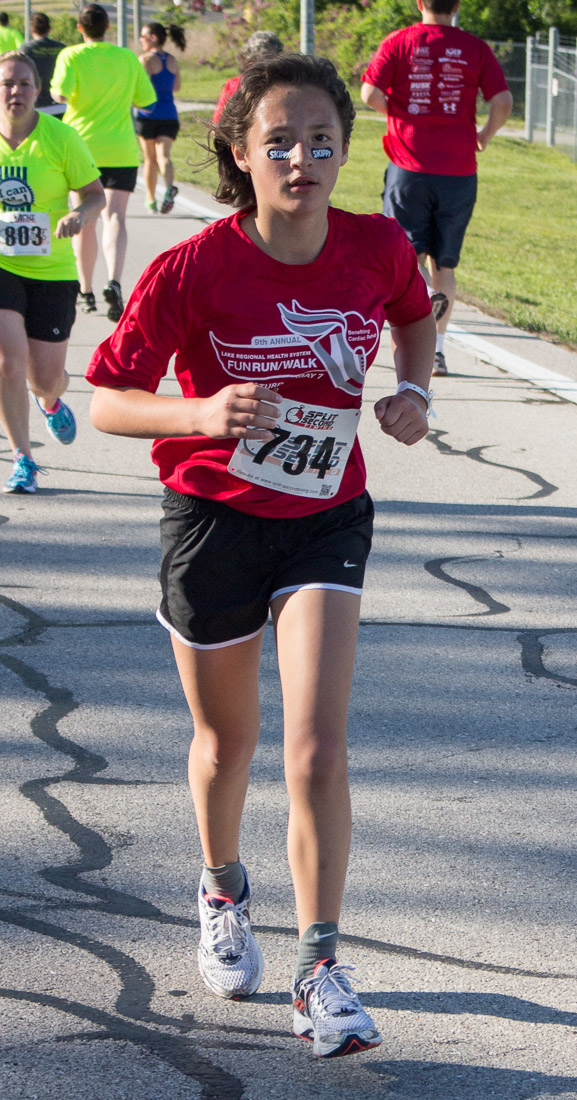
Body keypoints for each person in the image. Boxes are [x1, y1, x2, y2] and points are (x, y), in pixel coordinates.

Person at [86, 53, 435, 1058]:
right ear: (241, 154)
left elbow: (414, 315)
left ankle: (320, 968)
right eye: (277, 142)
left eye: (320, 141)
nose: (300, 160)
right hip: (212, 524)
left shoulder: (374, 245)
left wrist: (414, 392)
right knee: (224, 743)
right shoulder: (196, 267)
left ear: (344, 151)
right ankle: (221, 886)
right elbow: (108, 399)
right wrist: (199, 412)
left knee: (316, 747)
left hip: (327, 516)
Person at [361, 0, 512, 376]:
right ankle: (438, 352)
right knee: (444, 262)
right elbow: (502, 100)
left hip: (409, 166)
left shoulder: (399, 41)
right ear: (457, 5)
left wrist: (398, 112)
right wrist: (484, 135)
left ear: (419, 3)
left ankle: (426, 302)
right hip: (459, 170)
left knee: (407, 256)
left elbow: (368, 93)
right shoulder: (475, 47)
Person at [0, 51, 105, 494]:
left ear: (38, 91)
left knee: (43, 377)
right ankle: (23, 458)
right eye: (7, 83)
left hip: (53, 269)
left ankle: (51, 398)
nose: (15, 91)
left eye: (24, 83)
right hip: (3, 264)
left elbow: (95, 194)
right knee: (7, 361)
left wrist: (79, 214)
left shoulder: (61, 137)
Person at [50, 3, 155, 321]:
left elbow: (59, 95)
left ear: (80, 28)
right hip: (120, 149)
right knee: (116, 217)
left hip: (82, 147)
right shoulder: (127, 58)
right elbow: (147, 102)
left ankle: (86, 291)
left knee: (85, 219)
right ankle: (114, 281)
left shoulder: (71, 55)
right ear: (108, 27)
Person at [135, 21, 186, 215]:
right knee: (163, 156)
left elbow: (142, 87)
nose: (141, 40)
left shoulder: (145, 59)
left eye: (143, 36)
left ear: (153, 37)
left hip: (148, 115)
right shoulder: (172, 60)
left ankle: (150, 199)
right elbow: (176, 87)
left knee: (150, 159)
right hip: (169, 115)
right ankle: (169, 186)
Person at [212, 29, 283, 123]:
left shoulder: (283, 85)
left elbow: (217, 121)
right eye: (260, 60)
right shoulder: (233, 85)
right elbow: (219, 121)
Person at [22, 12, 66, 118]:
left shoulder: (27, 50)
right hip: (60, 105)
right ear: (49, 29)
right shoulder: (62, 48)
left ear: (31, 29)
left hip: (36, 105)